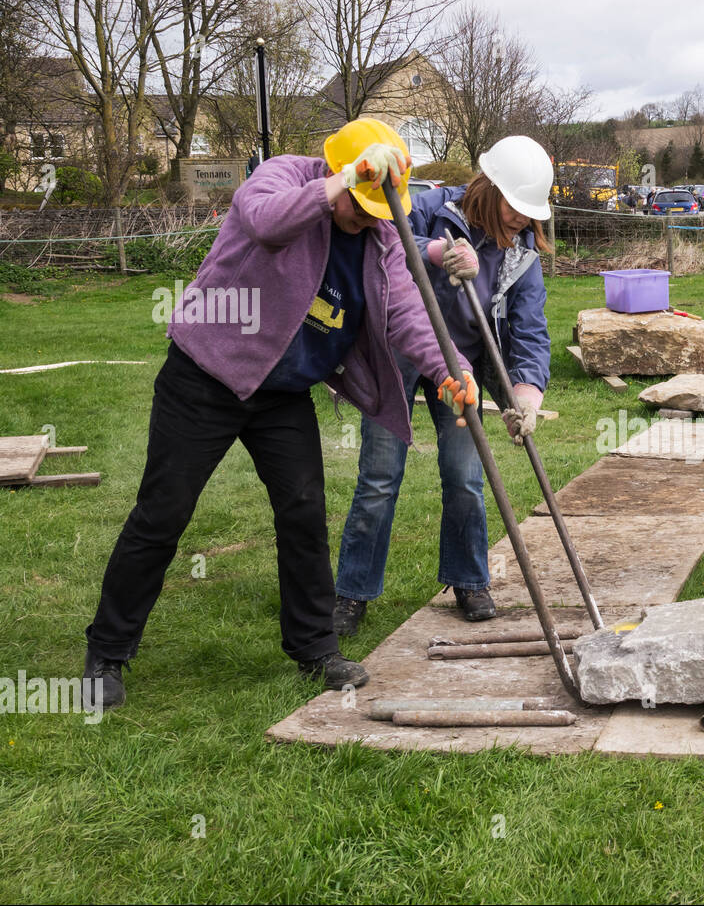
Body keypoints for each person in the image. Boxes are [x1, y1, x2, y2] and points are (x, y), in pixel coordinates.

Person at [81, 118, 474, 708]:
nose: (368, 216)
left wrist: (450, 368)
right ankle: (107, 652)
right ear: (338, 171)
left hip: (282, 393)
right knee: (164, 512)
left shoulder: (381, 234)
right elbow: (266, 225)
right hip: (206, 375)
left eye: (377, 208)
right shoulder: (285, 177)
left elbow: (406, 311)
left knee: (302, 511)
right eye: (362, 204)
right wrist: (343, 182)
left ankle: (315, 646)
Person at [333, 136, 554, 632]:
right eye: (514, 206)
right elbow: (383, 247)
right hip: (396, 353)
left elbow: (530, 331)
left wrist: (526, 395)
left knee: (464, 477)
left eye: (529, 210)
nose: (522, 218)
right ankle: (352, 592)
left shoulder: (521, 255)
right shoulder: (428, 207)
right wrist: (435, 253)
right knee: (380, 476)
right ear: (488, 186)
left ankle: (469, 578)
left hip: (462, 369)